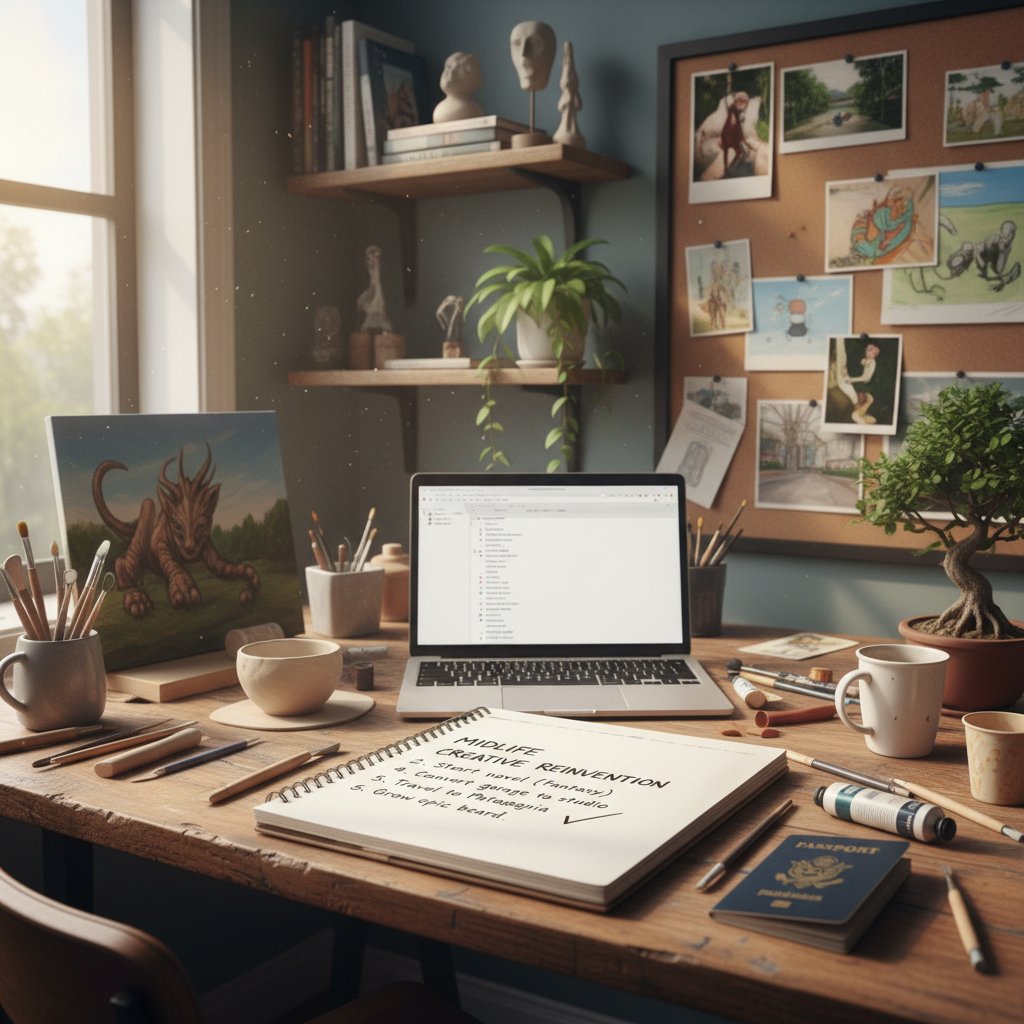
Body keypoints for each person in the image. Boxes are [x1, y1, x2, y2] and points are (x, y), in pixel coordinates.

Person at [433, 52, 484, 123]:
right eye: (449, 66)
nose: (451, 72)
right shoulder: (441, 110)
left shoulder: (472, 110)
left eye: (463, 69)